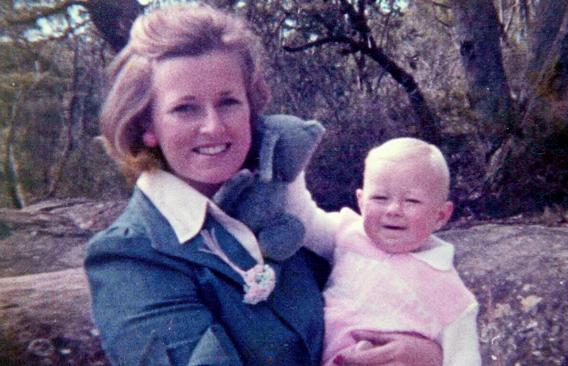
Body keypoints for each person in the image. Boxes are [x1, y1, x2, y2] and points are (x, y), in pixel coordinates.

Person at [84, 3, 442, 365]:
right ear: (147, 126)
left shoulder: (279, 200)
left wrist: (429, 354)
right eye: (185, 109)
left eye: (229, 102)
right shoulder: (129, 257)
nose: (213, 127)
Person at [321, 138, 481, 366]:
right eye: (379, 198)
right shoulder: (344, 233)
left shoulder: (448, 290)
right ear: (361, 202)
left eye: (411, 201)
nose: (393, 210)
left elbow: (465, 359)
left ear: (441, 216)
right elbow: (298, 212)